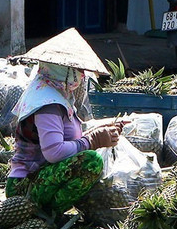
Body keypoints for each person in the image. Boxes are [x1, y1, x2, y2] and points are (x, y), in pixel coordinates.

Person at [7, 28, 125, 214]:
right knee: (92, 162)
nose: (82, 75)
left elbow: (66, 139)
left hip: (42, 174)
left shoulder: (54, 92)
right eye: (77, 70)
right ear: (63, 70)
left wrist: (100, 132)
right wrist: (92, 140)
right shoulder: (47, 102)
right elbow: (54, 152)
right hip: (25, 185)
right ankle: (46, 214)